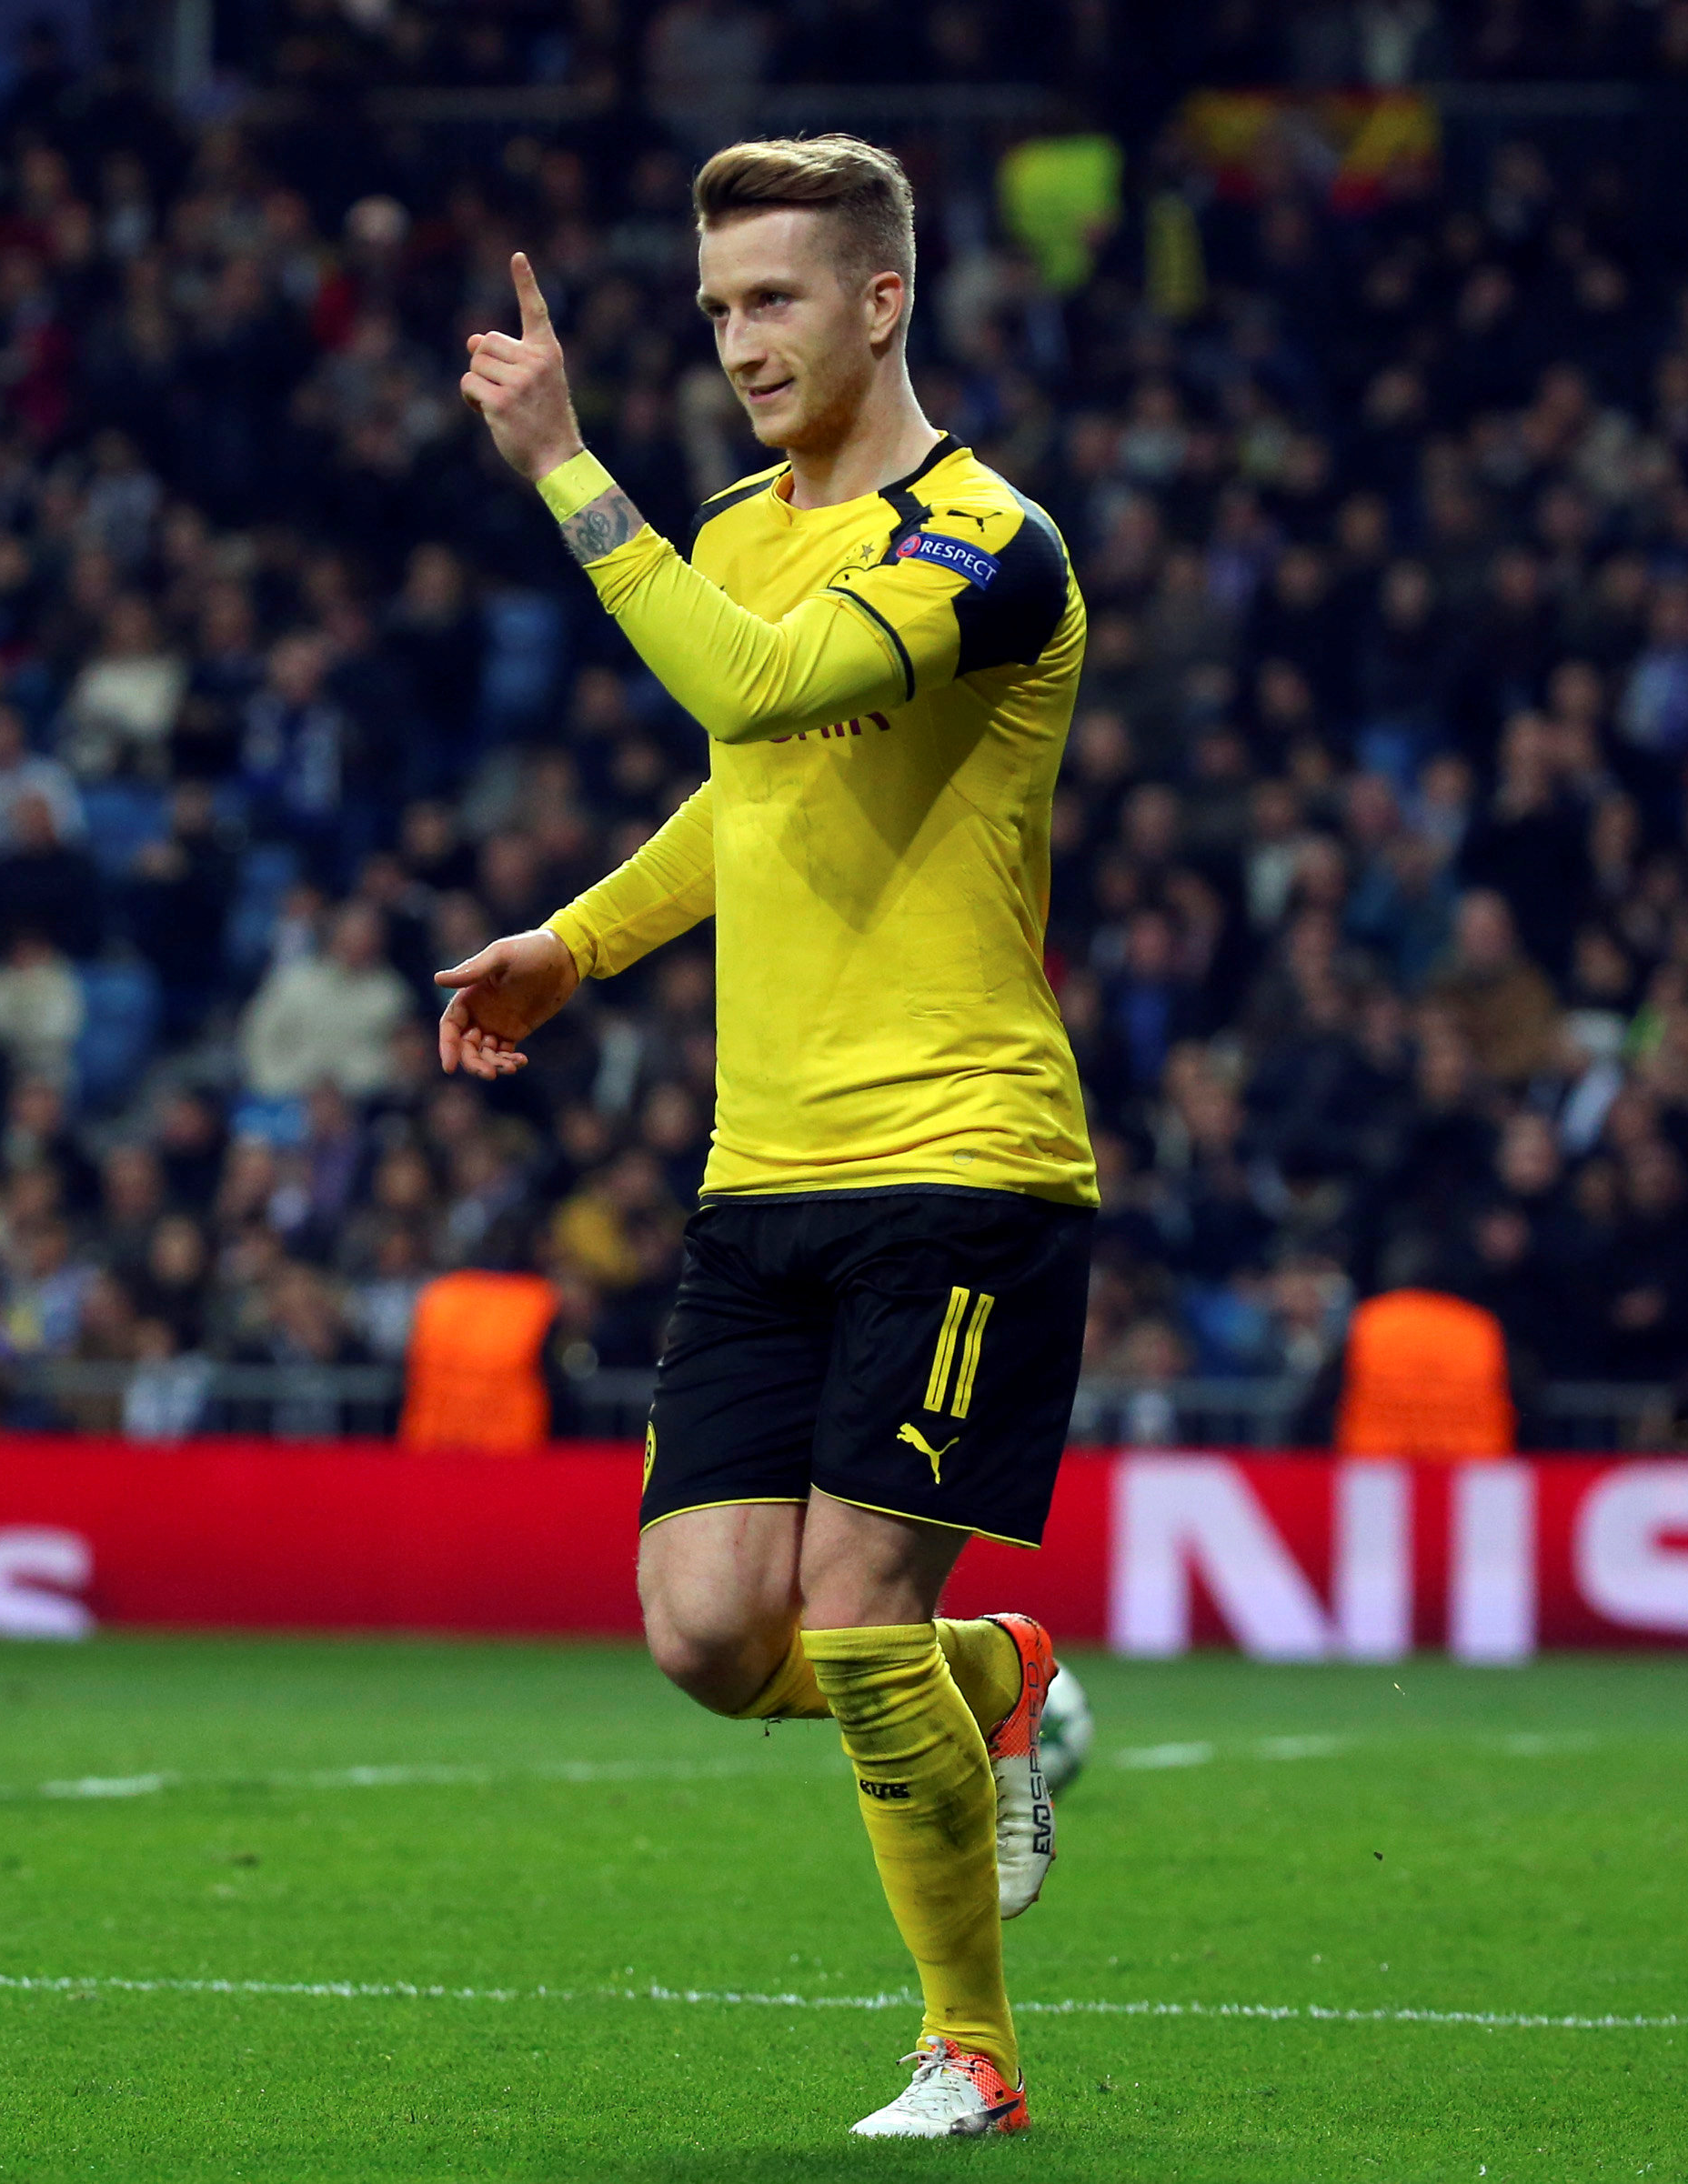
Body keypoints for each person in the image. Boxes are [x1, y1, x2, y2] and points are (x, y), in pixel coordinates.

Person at [446, 135, 1095, 2140]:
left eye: (776, 299)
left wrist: (566, 467)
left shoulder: (988, 545)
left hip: (963, 1162)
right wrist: (574, 942)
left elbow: (767, 678)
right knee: (712, 1633)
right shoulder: (734, 526)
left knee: (857, 1605)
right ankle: (998, 1680)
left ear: (881, 301)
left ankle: (968, 2050)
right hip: (765, 1173)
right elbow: (752, 790)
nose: (738, 341)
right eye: (718, 306)